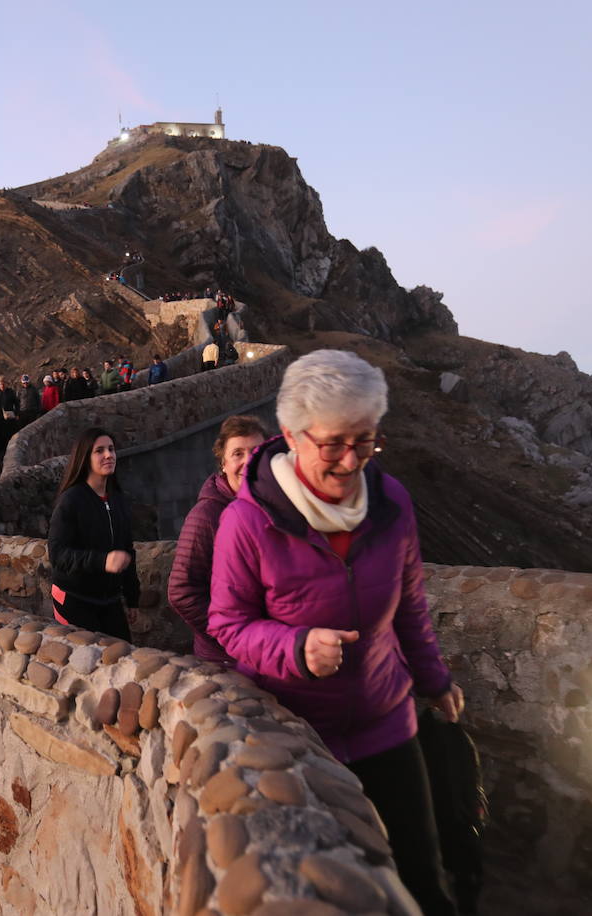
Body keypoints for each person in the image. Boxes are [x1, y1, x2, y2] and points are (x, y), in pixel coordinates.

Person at [208, 349, 463, 916]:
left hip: (388, 723)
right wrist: (295, 648)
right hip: (299, 733)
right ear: (293, 436)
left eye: (366, 440)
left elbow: (411, 603)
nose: (352, 462)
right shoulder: (246, 522)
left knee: (422, 881)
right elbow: (228, 623)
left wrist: (434, 679)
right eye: (334, 444)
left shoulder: (391, 501)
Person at [168, 416, 267, 665]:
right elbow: (182, 591)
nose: (249, 461)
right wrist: (230, 634)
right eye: (238, 453)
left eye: (256, 451)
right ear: (223, 463)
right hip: (228, 660)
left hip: (270, 650)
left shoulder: (275, 506)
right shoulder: (206, 516)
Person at [47, 427, 139, 640]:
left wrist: (132, 597)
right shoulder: (71, 501)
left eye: (111, 449)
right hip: (75, 599)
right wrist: (102, 561)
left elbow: (127, 550)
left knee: (123, 656)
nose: (108, 455)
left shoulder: (118, 500)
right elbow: (58, 554)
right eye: (99, 451)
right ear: (85, 458)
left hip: (110, 600)